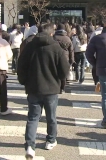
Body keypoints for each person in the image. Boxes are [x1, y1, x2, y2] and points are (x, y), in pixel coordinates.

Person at [18, 23, 69, 159]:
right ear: (51, 33)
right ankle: (51, 140)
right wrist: (60, 81)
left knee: (33, 117)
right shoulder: (56, 47)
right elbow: (64, 70)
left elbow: (21, 66)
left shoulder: (29, 46)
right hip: (51, 88)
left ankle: (30, 145)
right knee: (51, 117)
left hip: (33, 87)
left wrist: (23, 81)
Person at [54, 24, 74, 93]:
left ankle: (57, 87)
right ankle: (62, 88)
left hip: (55, 57)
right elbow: (71, 50)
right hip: (65, 58)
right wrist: (71, 59)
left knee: (55, 73)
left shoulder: (54, 37)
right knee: (64, 73)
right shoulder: (67, 38)